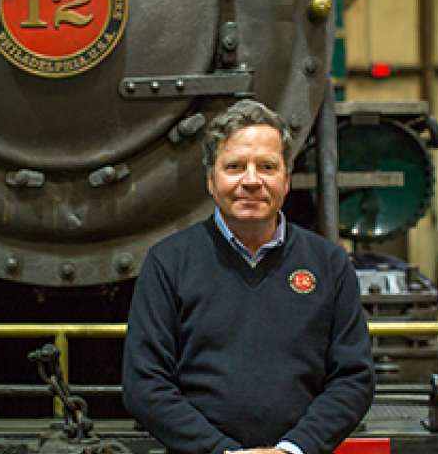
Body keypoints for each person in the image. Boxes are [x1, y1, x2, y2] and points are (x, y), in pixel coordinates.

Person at [122, 99, 374, 454]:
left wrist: (293, 448)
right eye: (235, 166)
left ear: (286, 180)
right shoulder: (168, 262)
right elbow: (144, 384)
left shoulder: (329, 263)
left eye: (267, 166)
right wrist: (220, 451)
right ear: (211, 180)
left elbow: (354, 378)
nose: (251, 181)